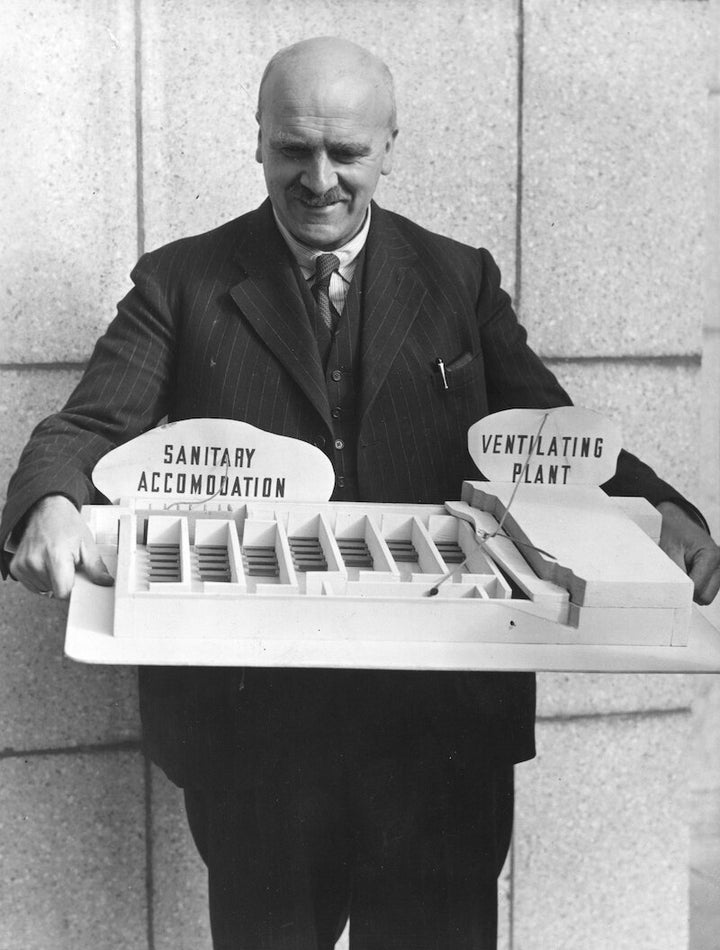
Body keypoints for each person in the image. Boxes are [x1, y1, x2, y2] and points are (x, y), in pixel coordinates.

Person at [2, 36, 719, 950]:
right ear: (257, 141)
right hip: (258, 741)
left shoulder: (462, 278)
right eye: (294, 149)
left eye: (347, 153)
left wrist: (667, 515)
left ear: (389, 147)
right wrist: (48, 504)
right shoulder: (178, 282)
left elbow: (551, 436)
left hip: (442, 739)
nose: (319, 179)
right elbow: (84, 429)